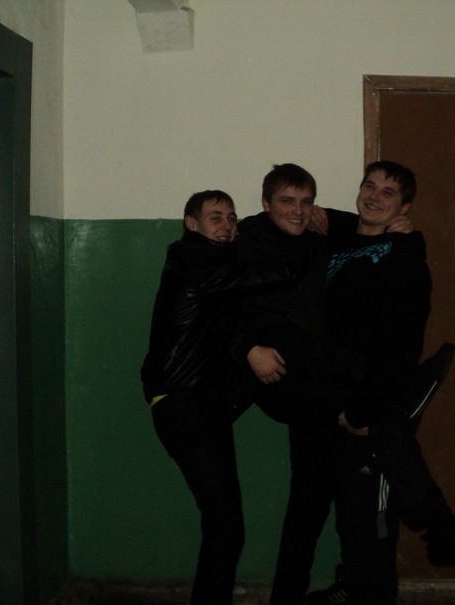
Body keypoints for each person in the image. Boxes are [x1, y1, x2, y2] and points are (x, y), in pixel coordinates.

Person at [233, 162, 455, 605]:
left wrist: (360, 411)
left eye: (389, 192)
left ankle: (434, 537)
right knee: (304, 513)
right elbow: (288, 215)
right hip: (317, 397)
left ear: (404, 208)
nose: (375, 196)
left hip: (358, 402)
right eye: (370, 186)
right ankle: (440, 533)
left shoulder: (402, 255)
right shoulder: (334, 238)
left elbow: (401, 348)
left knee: (365, 522)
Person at [140, 190, 311, 605]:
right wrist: (308, 232)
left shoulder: (208, 260)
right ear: (191, 223)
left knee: (280, 353)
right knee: (226, 527)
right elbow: (281, 271)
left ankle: (333, 403)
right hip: (187, 405)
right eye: (215, 217)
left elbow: (230, 320)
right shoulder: (197, 260)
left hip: (204, 397)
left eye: (232, 218)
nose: (227, 225)